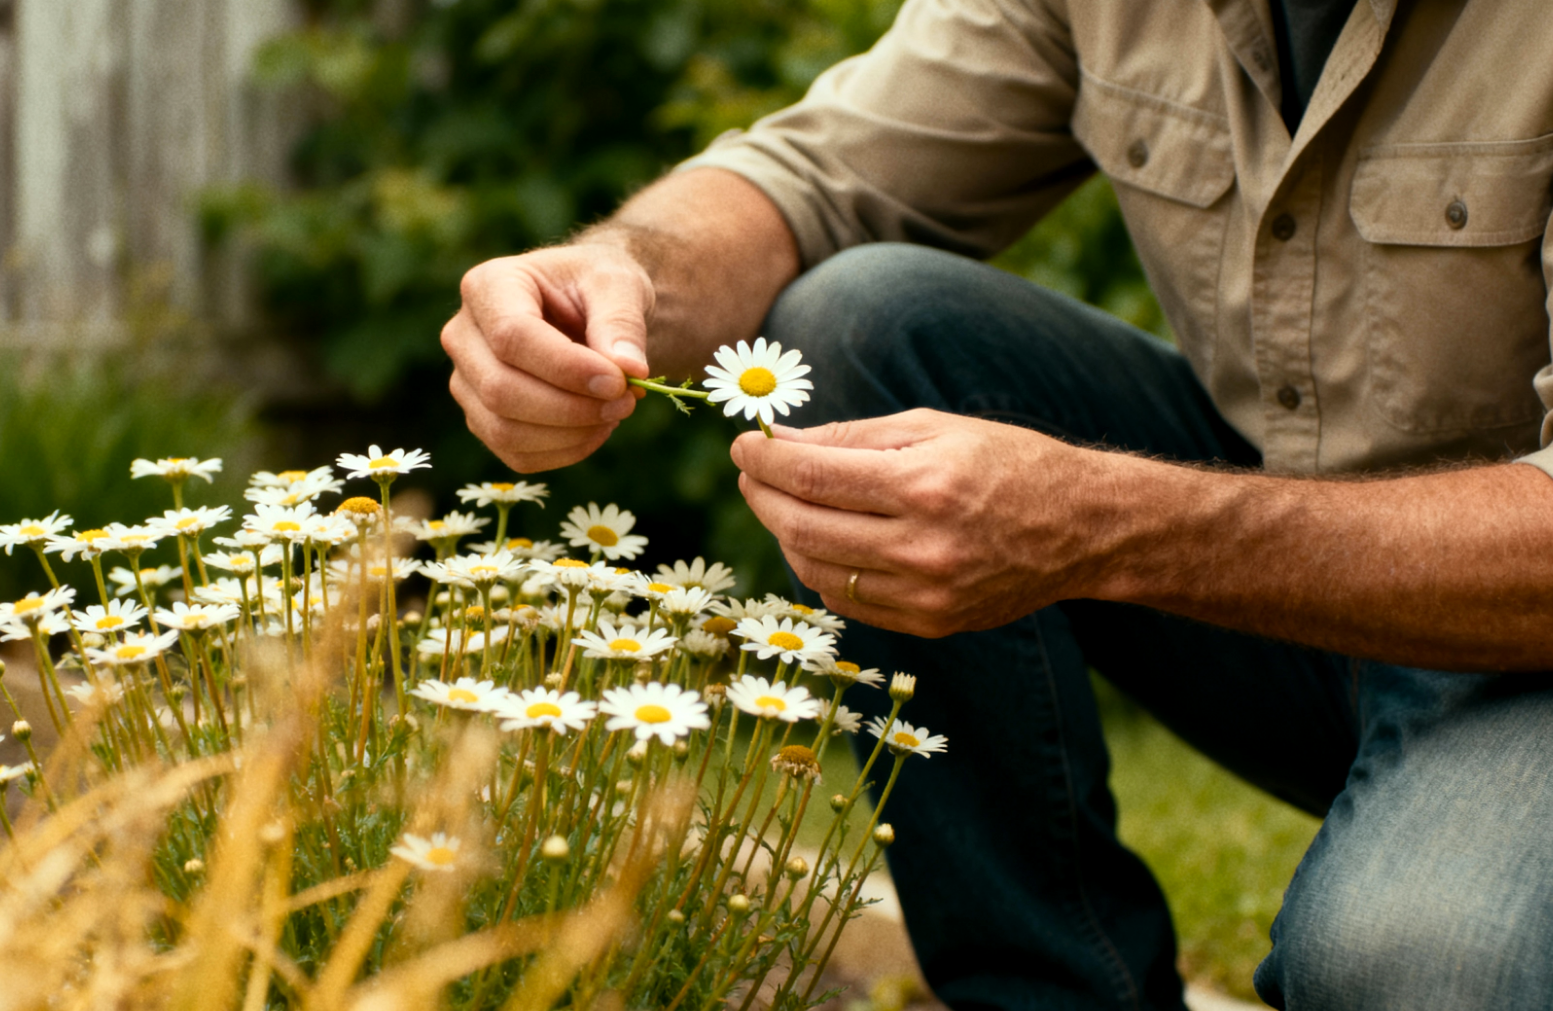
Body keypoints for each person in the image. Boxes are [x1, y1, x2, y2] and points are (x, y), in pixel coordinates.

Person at [440, 0, 1553, 1007]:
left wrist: (1107, 523)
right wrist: (611, 278)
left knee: (1420, 959)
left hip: (1525, 642)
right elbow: (817, 175)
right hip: (1301, 610)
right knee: (861, 325)